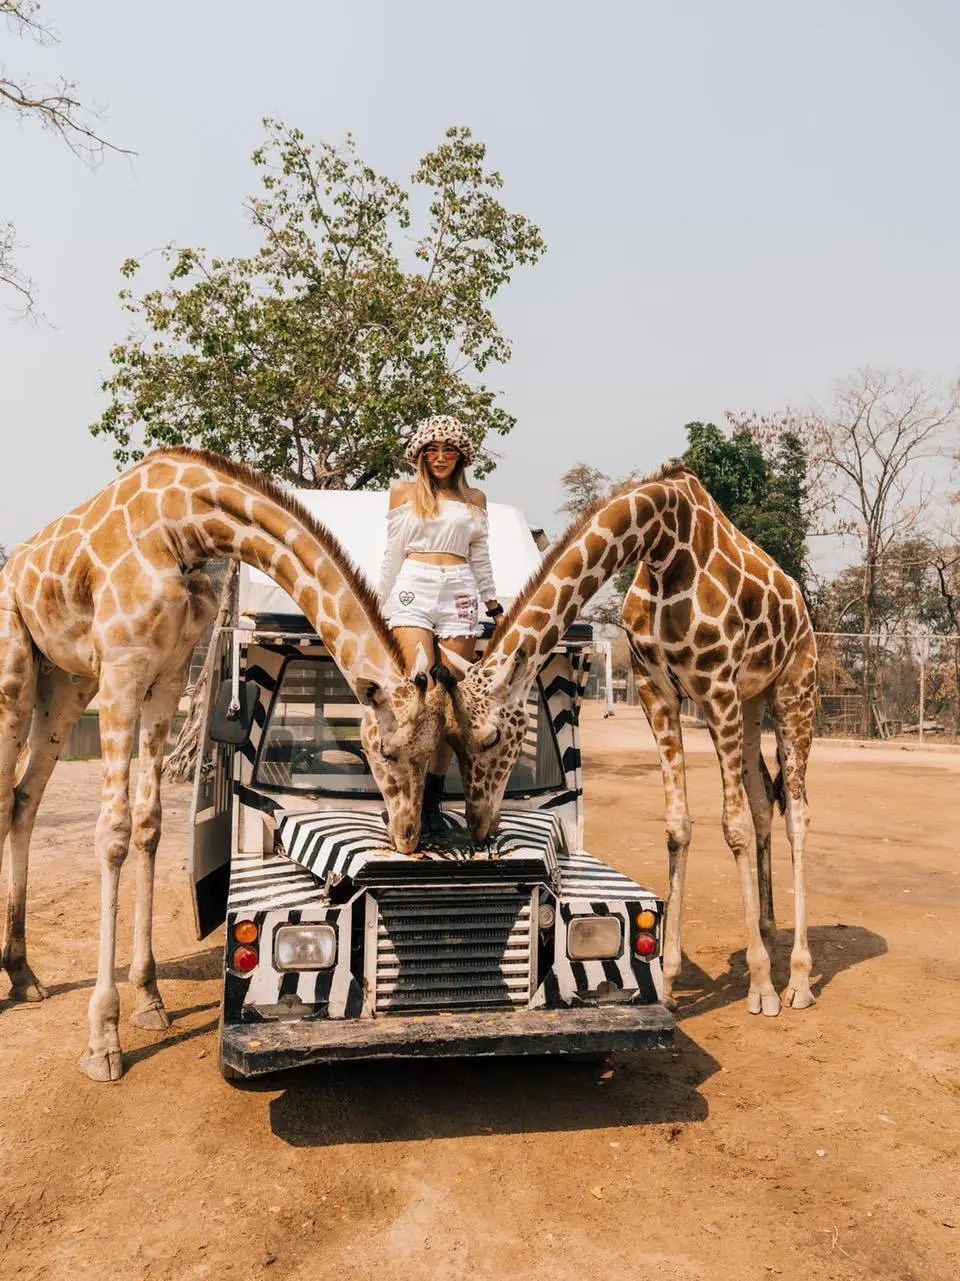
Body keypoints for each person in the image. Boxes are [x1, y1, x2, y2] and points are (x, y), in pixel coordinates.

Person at [379, 415, 502, 833]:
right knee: (420, 693)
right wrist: (380, 605)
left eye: (449, 449)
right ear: (421, 455)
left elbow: (481, 558)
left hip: (461, 593)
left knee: (452, 701)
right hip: (414, 587)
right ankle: (405, 795)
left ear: (462, 455)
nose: (441, 456)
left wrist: (494, 604)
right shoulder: (403, 493)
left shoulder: (475, 499)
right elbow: (392, 555)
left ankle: (432, 800)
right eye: (432, 449)